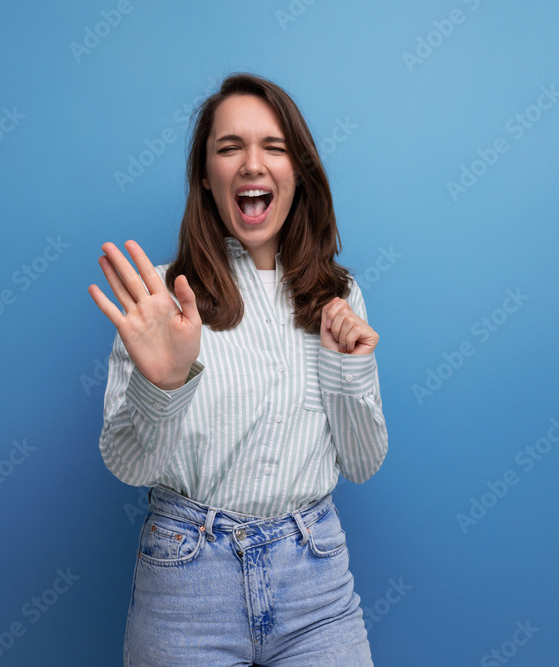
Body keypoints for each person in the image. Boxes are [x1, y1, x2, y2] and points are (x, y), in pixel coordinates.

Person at [88, 72, 388, 667]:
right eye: (230, 148)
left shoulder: (337, 294)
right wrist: (162, 385)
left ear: (297, 171)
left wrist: (348, 371)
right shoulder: (164, 302)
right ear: (206, 175)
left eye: (273, 147)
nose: (252, 163)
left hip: (315, 580)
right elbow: (128, 465)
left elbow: (361, 463)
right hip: (186, 584)